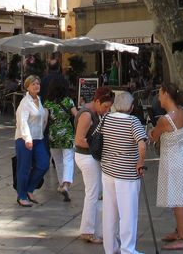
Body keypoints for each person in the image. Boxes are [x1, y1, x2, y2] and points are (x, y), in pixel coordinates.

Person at [149, 83, 183, 251]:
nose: (158, 97)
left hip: (173, 161)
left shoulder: (165, 119)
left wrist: (150, 131)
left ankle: (182, 237)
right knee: (180, 198)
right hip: (182, 156)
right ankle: (179, 231)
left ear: (166, 94)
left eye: (160, 94)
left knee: (177, 200)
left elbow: (154, 136)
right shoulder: (182, 111)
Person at [100, 90, 147, 254]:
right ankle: (128, 249)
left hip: (107, 171)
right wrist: (140, 162)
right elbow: (142, 144)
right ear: (131, 107)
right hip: (127, 173)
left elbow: (98, 137)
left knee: (109, 212)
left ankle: (110, 248)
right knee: (128, 214)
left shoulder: (106, 118)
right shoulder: (133, 121)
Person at [74, 87, 114, 245]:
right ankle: (88, 231)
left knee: (96, 192)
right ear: (97, 101)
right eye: (105, 107)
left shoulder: (95, 112)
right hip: (86, 157)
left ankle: (93, 229)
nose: (107, 110)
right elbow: (79, 140)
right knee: (93, 192)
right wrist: (97, 148)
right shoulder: (86, 115)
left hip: (90, 156)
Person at [14, 75, 50, 207]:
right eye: (33, 84)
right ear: (27, 86)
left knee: (43, 164)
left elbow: (41, 118)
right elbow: (22, 121)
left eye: (38, 83)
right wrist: (27, 139)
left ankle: (29, 189)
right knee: (24, 168)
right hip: (25, 139)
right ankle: (21, 195)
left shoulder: (39, 100)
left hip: (38, 138)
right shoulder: (25, 103)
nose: (36, 86)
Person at [43, 75, 78, 202]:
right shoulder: (68, 101)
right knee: (68, 159)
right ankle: (66, 184)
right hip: (67, 134)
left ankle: (61, 184)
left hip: (53, 135)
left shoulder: (47, 103)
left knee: (57, 161)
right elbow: (76, 116)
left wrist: (42, 133)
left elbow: (45, 120)